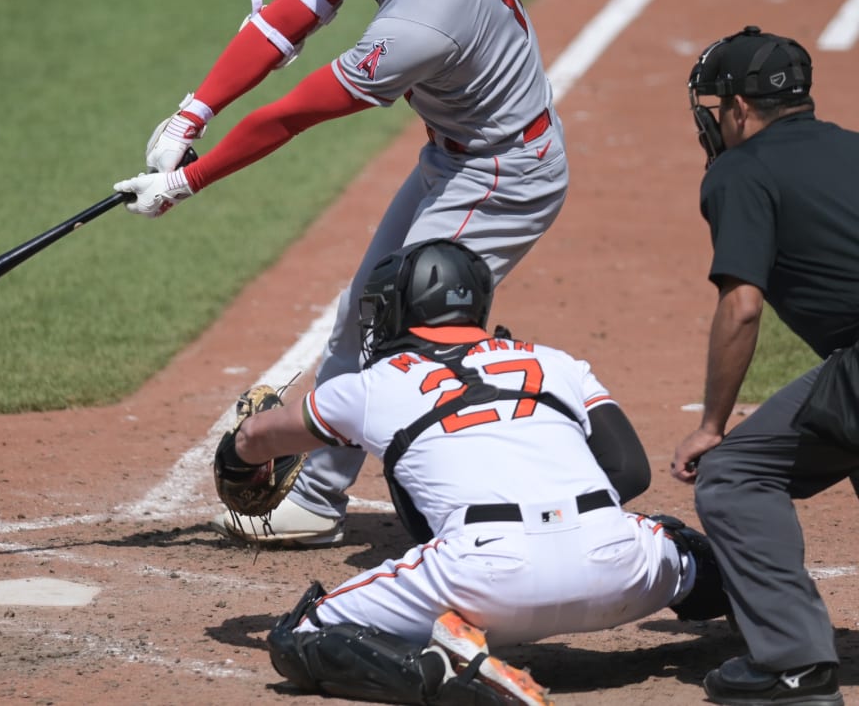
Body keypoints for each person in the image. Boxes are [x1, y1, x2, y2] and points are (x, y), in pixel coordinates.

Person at [114, 0, 568, 546]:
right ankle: (321, 500)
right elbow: (283, 23)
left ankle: (493, 481)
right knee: (370, 305)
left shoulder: (430, 16)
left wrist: (186, 183)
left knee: (406, 325)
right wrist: (190, 113)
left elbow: (293, 115)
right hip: (453, 158)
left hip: (505, 171)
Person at [219, 238, 727, 705]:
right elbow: (629, 470)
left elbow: (256, 439)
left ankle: (444, 670)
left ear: (401, 307)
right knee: (686, 549)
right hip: (624, 570)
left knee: (300, 636)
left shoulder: (369, 386)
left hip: (483, 580)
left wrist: (237, 463)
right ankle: (775, 630)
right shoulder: (555, 362)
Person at [670, 26, 858, 706]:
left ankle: (794, 668)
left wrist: (711, 425)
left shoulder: (739, 170)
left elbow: (742, 307)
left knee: (733, 475)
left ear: (740, 108)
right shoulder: (852, 147)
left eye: (717, 107)